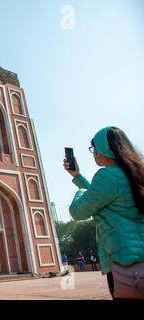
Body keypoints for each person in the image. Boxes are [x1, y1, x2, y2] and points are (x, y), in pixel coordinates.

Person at [64, 126, 144, 299]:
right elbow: (102, 196)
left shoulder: (107, 176)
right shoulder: (135, 173)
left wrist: (81, 192)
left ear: (102, 149)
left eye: (94, 149)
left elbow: (78, 211)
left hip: (125, 261)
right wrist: (77, 176)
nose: (94, 153)